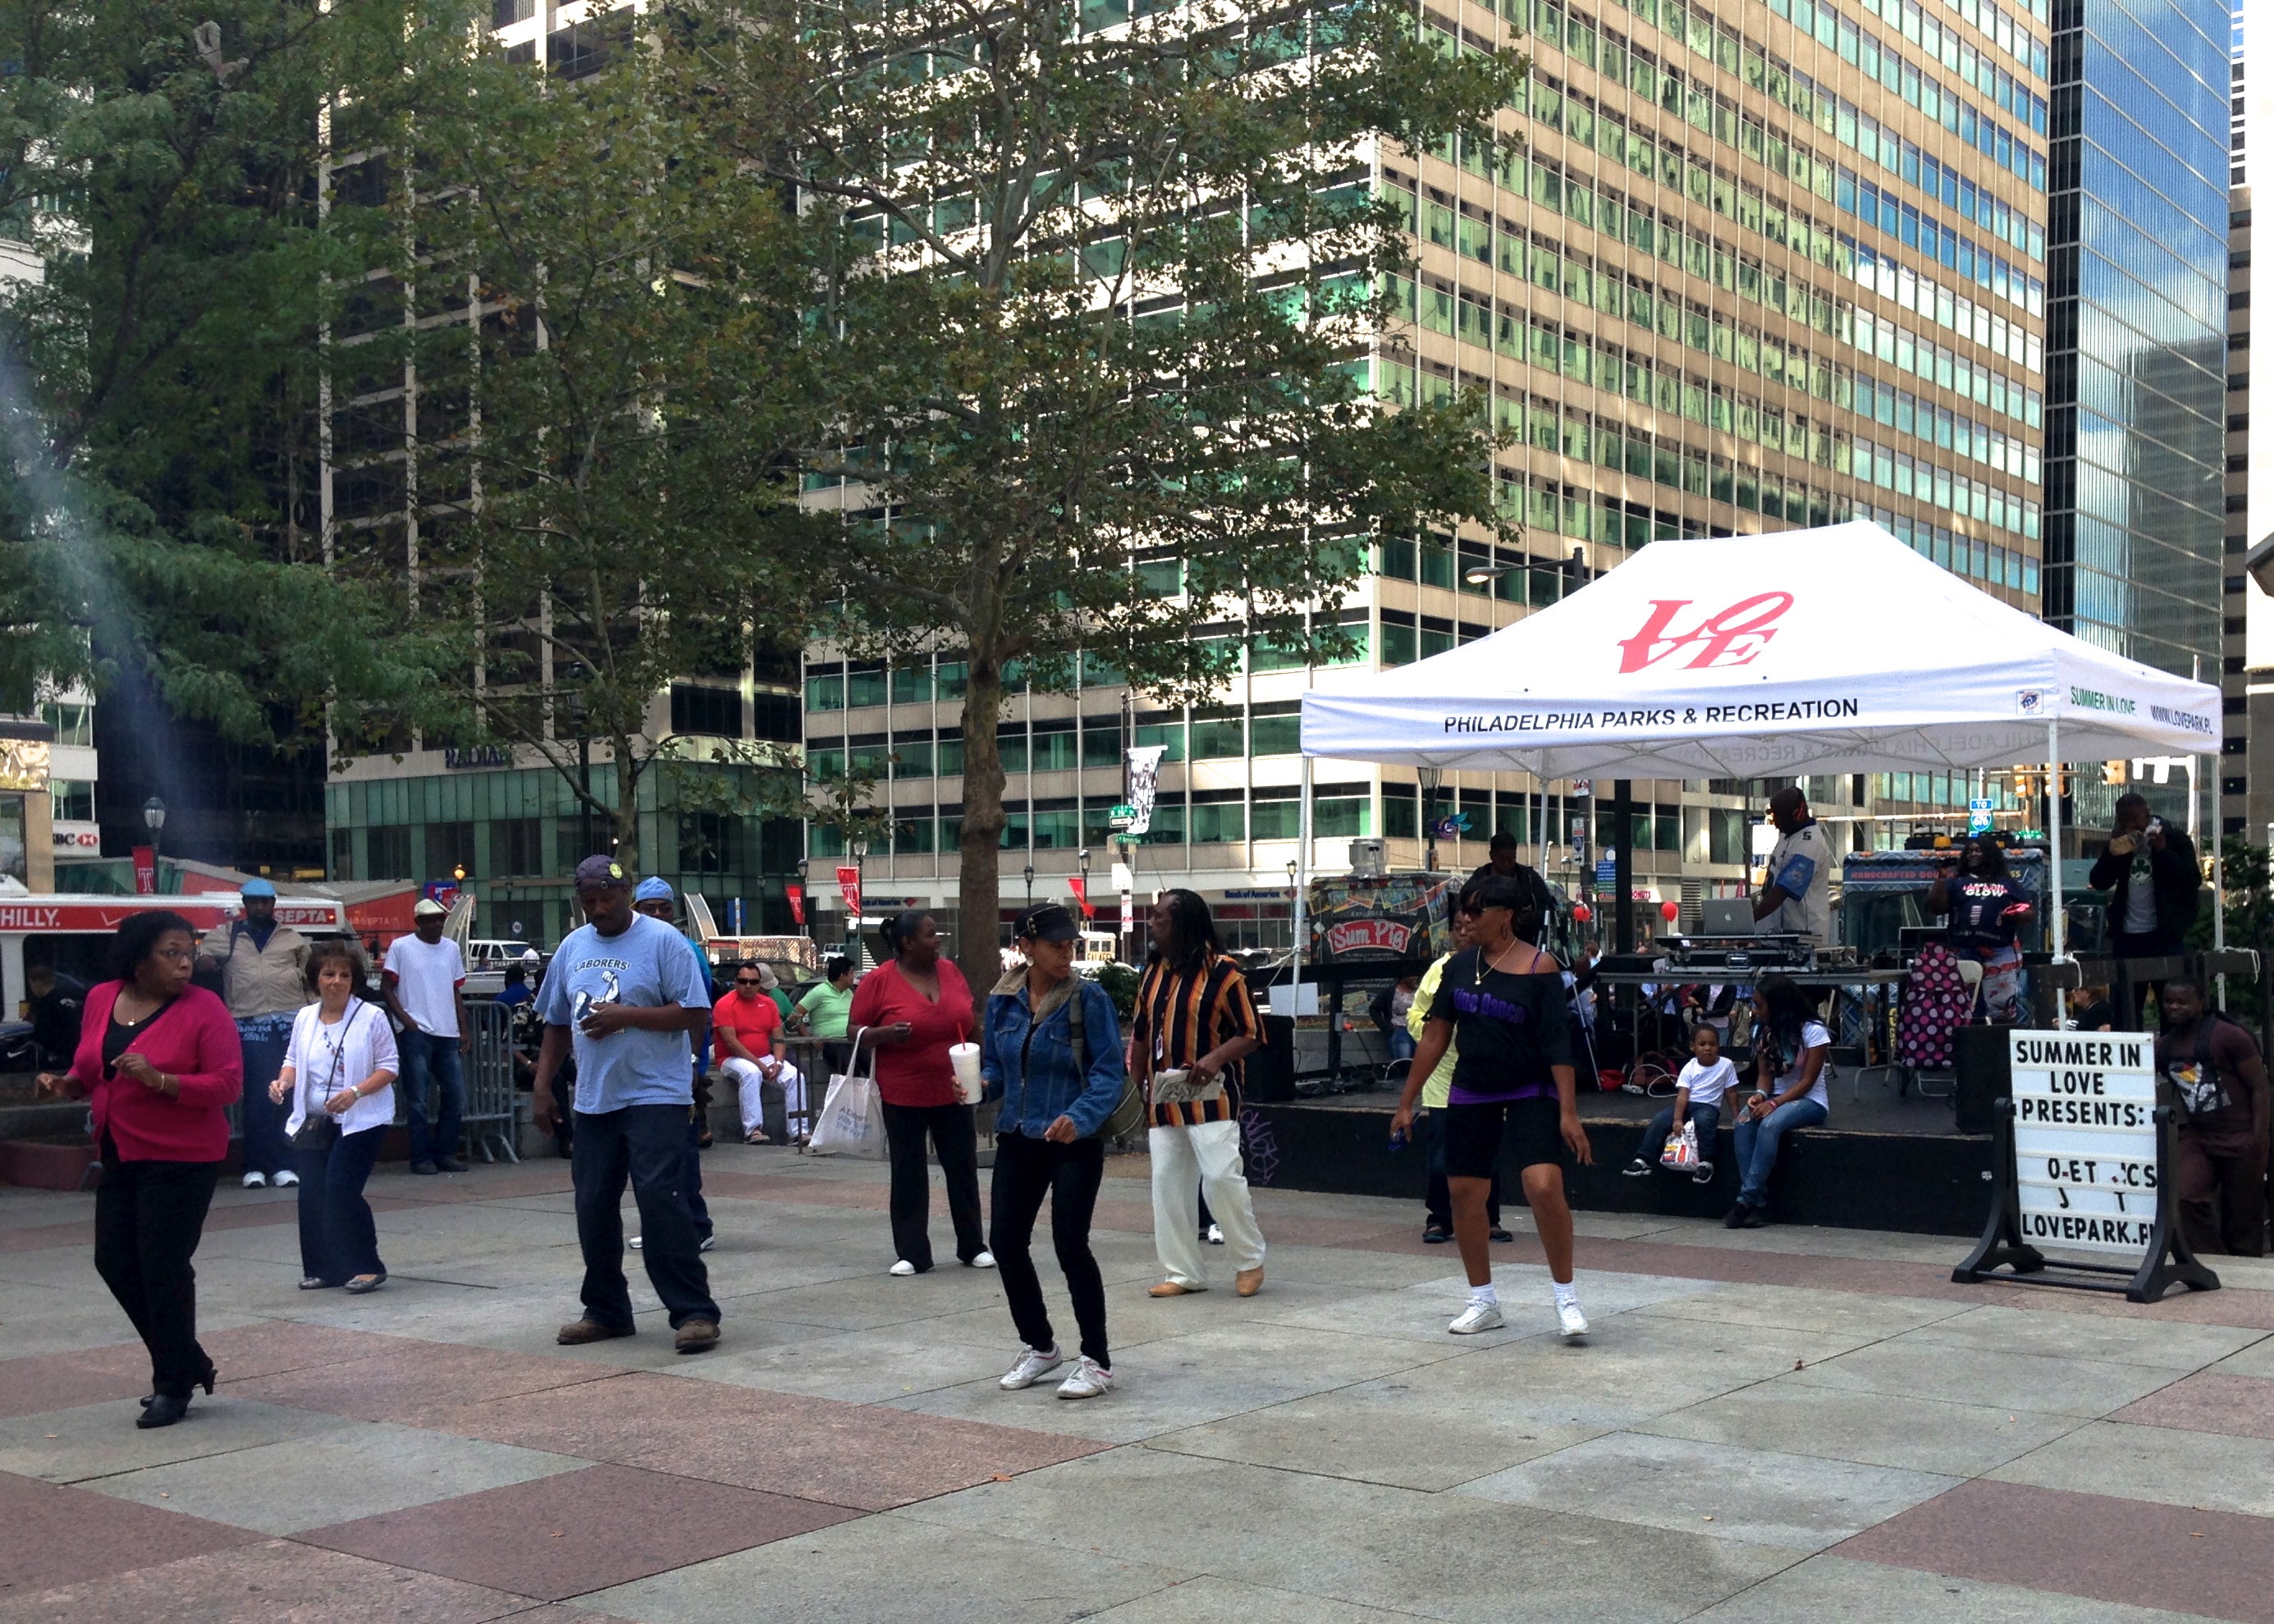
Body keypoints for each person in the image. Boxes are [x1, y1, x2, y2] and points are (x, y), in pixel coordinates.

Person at [34, 911, 243, 1429]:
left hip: (183, 1157)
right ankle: (188, 1359)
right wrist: (66, 1085)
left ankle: (172, 1383)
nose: (185, 962)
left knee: (163, 1268)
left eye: (188, 952)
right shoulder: (103, 997)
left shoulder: (205, 1008)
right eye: (171, 952)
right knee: (114, 1261)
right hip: (120, 1151)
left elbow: (227, 1085)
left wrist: (161, 1079)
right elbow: (92, 1068)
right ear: (138, 958)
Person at [533, 857, 723, 1354]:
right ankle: (606, 1310)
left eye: (607, 899)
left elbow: (695, 1012)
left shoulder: (665, 942)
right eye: (589, 901)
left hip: (656, 1093)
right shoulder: (572, 948)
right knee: (593, 1204)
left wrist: (627, 1017)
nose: (598, 909)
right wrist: (542, 1086)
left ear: (627, 894)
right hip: (595, 1098)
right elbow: (555, 1023)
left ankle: (694, 1312)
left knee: (661, 1199)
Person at [1390, 876, 1592, 1337]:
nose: (1466, 918)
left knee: (1542, 1185)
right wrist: (1407, 1102)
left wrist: (1568, 1112)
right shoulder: (1458, 968)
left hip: (1530, 1087)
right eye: (1464, 909)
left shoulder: (1540, 967)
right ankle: (1483, 1300)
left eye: (1477, 910)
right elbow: (1436, 1036)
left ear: (1506, 915)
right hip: (1471, 1089)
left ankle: (1567, 1298)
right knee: (1464, 1193)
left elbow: (1557, 1044)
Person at [983, 904, 1127, 1401]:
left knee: (1070, 1244)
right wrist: (976, 1085)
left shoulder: (1090, 999)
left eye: (1071, 945)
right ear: (1026, 947)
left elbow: (1111, 1073)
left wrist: (1080, 1118)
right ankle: (1040, 1345)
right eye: (1055, 945)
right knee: (1004, 1240)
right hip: (1020, 1134)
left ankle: (1098, 1360)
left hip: (1073, 1141)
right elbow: (998, 1070)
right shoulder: (1002, 1001)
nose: (1067, 954)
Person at [1133, 890, 1267, 1299]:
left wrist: (1213, 1059)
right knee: (1167, 1183)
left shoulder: (1225, 973)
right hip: (1164, 1094)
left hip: (1213, 1093)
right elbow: (1141, 1031)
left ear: (1184, 923)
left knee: (1222, 1177)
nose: (1152, 923)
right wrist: (1135, 1084)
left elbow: (1252, 1033)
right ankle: (1183, 1272)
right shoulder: (1153, 970)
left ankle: (1249, 1261)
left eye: (1160, 918)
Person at [849, 909, 991, 1276]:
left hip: (953, 1089)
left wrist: (981, 1067)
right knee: (909, 1172)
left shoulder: (951, 972)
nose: (938, 938)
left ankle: (973, 1245)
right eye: (930, 934)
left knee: (962, 1168)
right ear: (907, 942)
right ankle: (912, 1252)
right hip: (903, 1093)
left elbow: (970, 1021)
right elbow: (854, 1030)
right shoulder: (878, 981)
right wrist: (886, 1034)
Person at [269, 940, 398, 1293]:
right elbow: (292, 1059)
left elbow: (389, 1068)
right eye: (329, 974)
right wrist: (282, 1082)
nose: (336, 981)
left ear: (354, 981)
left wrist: (355, 1092)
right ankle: (324, 1268)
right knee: (312, 1193)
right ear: (317, 980)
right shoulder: (305, 1017)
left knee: (341, 1189)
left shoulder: (372, 1017)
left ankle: (366, 1266)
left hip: (362, 1119)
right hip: (315, 1119)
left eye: (344, 975)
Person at [1407, 910, 1513, 1245]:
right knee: (1442, 1155)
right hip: (1443, 1079)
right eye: (1458, 927)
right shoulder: (1439, 970)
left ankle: (1489, 1219)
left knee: (1487, 1151)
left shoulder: (1499, 966)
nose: (1464, 932)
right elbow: (1415, 1016)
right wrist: (1435, 1032)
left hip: (1487, 1076)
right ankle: (1439, 1219)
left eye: (1470, 926)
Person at [198, 878, 310, 1190]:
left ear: (274, 904)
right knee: (259, 1096)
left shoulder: (291, 937)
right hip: (250, 1022)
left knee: (289, 1094)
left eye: (265, 902)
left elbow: (311, 980)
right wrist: (205, 962)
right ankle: (255, 1165)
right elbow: (201, 960)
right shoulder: (226, 935)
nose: (260, 907)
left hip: (291, 1021)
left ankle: (285, 1164)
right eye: (253, 902)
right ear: (244, 905)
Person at [630, 879, 715, 1255]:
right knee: (655, 1158)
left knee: (678, 1152)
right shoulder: (637, 946)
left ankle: (694, 1226)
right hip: (644, 1070)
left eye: (665, 908)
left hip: (678, 1069)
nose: (659, 915)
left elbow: (698, 1012)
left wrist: (695, 1063)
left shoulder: (685, 949)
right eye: (650, 908)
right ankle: (668, 1226)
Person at [2156, 978, 2269, 1257]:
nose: (2174, 1007)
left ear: (2200, 1003)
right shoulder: (2164, 1047)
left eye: (2182, 1002)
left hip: (2240, 1134)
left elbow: (2260, 1087)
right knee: (2183, 1197)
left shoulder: (2230, 1036)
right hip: (2199, 1135)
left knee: (2242, 1216)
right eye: (2169, 1001)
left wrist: (2259, 1138)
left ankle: (2244, 1272)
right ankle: (2214, 1262)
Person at [1726, 977, 1831, 1228]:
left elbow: (1807, 1081)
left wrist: (1774, 1104)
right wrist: (1760, 1095)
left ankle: (1746, 1199)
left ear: (1778, 1005)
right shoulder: (1764, 1033)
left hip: (1809, 1100)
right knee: (1742, 1123)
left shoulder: (1814, 1031)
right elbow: (1765, 1076)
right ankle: (1755, 1205)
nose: (1754, 1011)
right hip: (1776, 1097)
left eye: (1759, 1006)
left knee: (1770, 1125)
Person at [2089, 793, 2201, 1026]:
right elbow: (2099, 881)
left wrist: (2162, 852)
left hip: (2164, 938)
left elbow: (2191, 879)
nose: (2131, 826)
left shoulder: (2174, 839)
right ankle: (2131, 1058)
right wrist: (2112, 851)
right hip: (2128, 939)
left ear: (2146, 815)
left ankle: (2171, 1058)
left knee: (2172, 1008)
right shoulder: (2121, 844)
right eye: (2124, 820)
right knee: (2125, 1011)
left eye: (2135, 819)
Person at [382, 899, 469, 1175]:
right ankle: (420, 1157)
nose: (435, 924)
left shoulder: (451, 948)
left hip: (447, 1032)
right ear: (418, 922)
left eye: (439, 919)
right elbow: (387, 987)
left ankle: (444, 1152)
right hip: (416, 1031)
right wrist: (406, 1020)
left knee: (456, 1096)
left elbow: (455, 990)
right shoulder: (401, 947)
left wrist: (463, 1027)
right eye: (429, 919)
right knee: (417, 1099)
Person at [1928, 835, 2034, 1024]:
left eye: (1978, 850)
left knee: (2002, 1006)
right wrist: (1941, 878)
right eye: (1970, 851)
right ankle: (1969, 1046)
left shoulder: (2007, 883)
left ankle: (2001, 1045)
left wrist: (2016, 915)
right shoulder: (1956, 882)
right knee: (1965, 1006)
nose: (1973, 854)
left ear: (1990, 854)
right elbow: (1936, 907)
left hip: (2000, 951)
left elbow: (2028, 911)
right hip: (1963, 951)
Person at [1625, 1023, 1732, 1185]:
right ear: (1692, 1047)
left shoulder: (1726, 1065)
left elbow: (1731, 1093)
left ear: (1719, 1045)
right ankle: (1643, 1159)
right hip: (1688, 1104)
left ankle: (1706, 1162)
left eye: (1712, 1044)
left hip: (1708, 1106)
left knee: (1704, 1121)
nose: (1708, 1048)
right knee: (1661, 1120)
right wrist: (1677, 1119)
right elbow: (1683, 1096)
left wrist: (1738, 1115)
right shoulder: (1690, 1067)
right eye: (1702, 1044)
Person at [716, 958, 798, 1146]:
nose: (748, 986)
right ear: (735, 982)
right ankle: (753, 1129)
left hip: (765, 1056)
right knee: (751, 1073)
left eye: (753, 982)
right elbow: (731, 1042)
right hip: (731, 1058)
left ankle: (797, 1132)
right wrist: (760, 1065)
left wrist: (777, 1062)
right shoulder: (725, 1004)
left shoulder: (768, 1004)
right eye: (743, 981)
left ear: (759, 984)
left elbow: (779, 1038)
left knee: (795, 1076)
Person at [1750, 787, 1832, 943]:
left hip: (1804, 937)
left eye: (1778, 816)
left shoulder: (1812, 844)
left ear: (1797, 814)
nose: (1774, 822)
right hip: (1775, 936)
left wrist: (1749, 920)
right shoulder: (1786, 836)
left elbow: (1783, 890)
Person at [1469, 831, 1559, 945]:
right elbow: (1465, 908)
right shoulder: (1478, 879)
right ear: (1491, 856)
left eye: (1511, 859)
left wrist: (1531, 916)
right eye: (1502, 860)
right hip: (1486, 942)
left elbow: (1547, 908)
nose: (1507, 864)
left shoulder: (1529, 878)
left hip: (1524, 941)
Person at [798, 956, 858, 1077]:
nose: (853, 977)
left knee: (869, 1063)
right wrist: (809, 1037)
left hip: (851, 1039)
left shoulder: (849, 993)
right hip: (831, 1042)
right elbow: (796, 1014)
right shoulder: (819, 992)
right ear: (842, 976)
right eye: (851, 973)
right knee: (850, 1069)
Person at [24, 963, 88, 1070]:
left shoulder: (46, 1004)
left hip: (57, 1053)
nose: (32, 990)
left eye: (31, 985)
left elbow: (45, 1032)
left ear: (37, 982)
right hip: (74, 1051)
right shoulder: (65, 999)